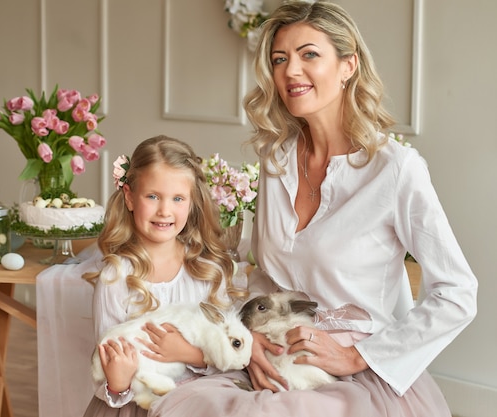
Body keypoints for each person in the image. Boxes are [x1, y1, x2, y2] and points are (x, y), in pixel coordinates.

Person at [148, 2, 478, 417]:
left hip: (348, 377)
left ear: (348, 66)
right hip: (268, 357)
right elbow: (265, 278)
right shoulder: (275, 159)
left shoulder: (395, 170)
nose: (290, 71)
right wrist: (249, 343)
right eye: (280, 59)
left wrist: (360, 356)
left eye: (309, 55)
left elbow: (458, 293)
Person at [81, 135, 247, 417]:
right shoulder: (116, 277)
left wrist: (188, 353)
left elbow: (231, 355)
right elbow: (107, 363)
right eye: (153, 196)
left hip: (200, 406)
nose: (164, 210)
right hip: (135, 407)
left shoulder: (208, 271)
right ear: (130, 197)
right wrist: (119, 382)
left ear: (192, 203)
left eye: (178, 198)